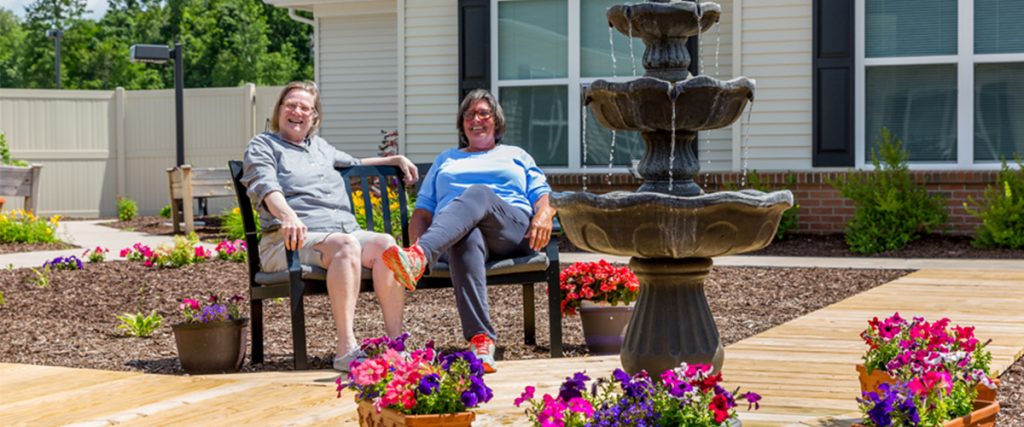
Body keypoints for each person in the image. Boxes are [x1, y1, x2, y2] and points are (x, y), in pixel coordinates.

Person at [241, 81, 419, 371]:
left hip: (340, 235)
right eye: (291, 105)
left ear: (314, 117)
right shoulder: (264, 145)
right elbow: (265, 184)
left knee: (386, 244)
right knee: (346, 245)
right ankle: (346, 349)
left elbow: (356, 162)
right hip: (288, 243)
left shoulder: (320, 147)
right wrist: (287, 214)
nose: (297, 111)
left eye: (305, 108)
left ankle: (397, 345)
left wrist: (395, 158)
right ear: (279, 110)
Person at [381, 89, 555, 373]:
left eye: (483, 113)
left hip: (511, 231)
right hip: (455, 235)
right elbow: (423, 211)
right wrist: (418, 238)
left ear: (496, 121)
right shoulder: (446, 159)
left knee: (479, 194)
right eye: (469, 114)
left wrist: (545, 214)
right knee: (466, 236)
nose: (476, 119)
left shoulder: (516, 155)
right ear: (462, 124)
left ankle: (419, 257)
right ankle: (481, 340)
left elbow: (542, 195)